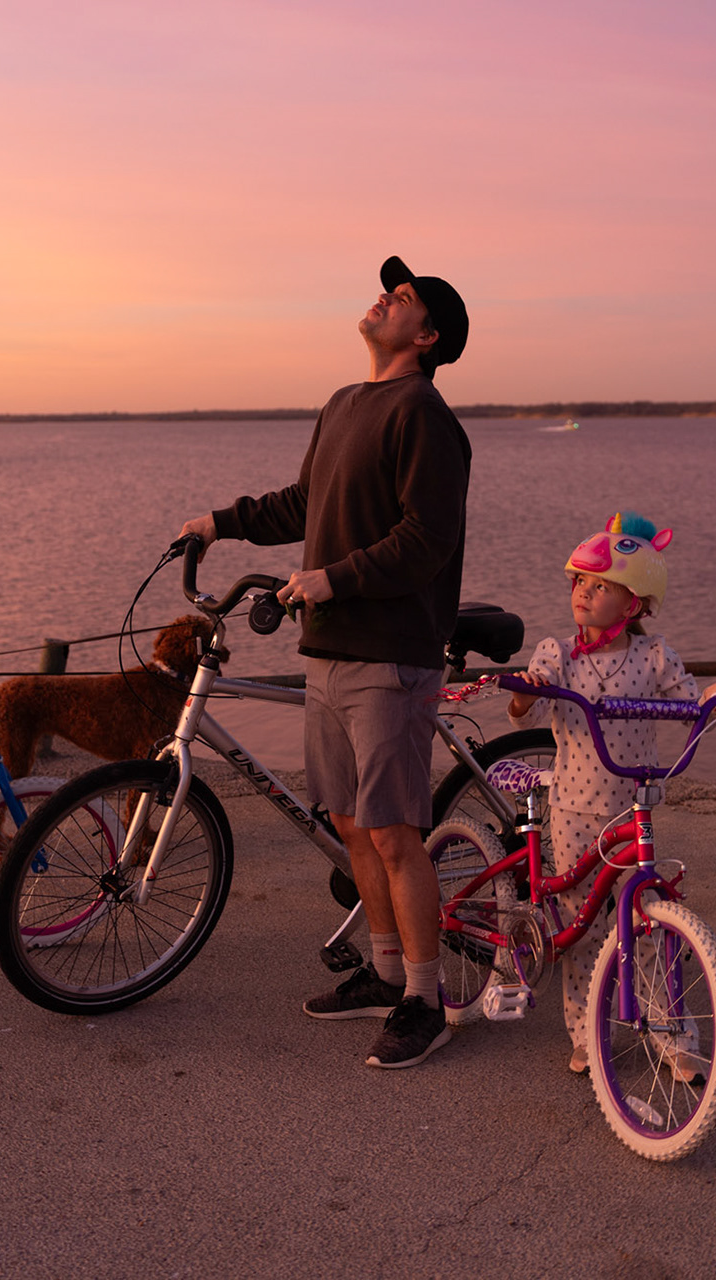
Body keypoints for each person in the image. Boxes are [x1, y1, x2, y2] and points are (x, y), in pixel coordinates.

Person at [181, 255, 472, 1069]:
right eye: (387, 290)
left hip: (392, 653)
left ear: (428, 335)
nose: (383, 298)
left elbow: (427, 539)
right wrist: (218, 523)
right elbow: (305, 503)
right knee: (348, 821)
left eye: (402, 297)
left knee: (394, 832)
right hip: (330, 648)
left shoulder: (425, 414)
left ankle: (427, 1000)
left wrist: (332, 578)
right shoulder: (346, 402)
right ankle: (385, 973)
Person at [504, 510, 716, 1074]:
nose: (584, 593)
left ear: (632, 604)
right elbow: (525, 714)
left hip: (631, 808)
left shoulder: (652, 656)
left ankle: (668, 1031)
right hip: (571, 810)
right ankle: (586, 1031)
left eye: (601, 586)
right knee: (581, 928)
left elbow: (691, 704)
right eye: (580, 583)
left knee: (646, 922)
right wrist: (526, 691)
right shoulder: (556, 655)